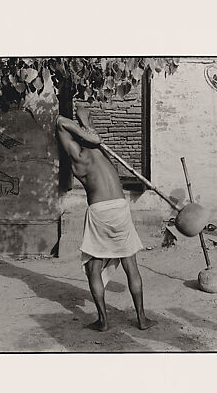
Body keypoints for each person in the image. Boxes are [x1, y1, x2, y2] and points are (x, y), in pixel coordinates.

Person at [55, 107, 157, 332]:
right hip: (120, 208)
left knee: (94, 268)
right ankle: (141, 319)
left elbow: (60, 122)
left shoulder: (78, 156)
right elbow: (80, 120)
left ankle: (103, 321)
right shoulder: (100, 150)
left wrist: (84, 131)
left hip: (101, 210)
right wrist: (88, 131)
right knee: (131, 265)